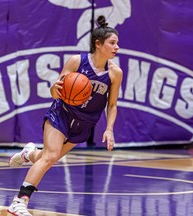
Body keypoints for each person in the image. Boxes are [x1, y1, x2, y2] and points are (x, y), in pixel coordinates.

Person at [7, 15, 123, 216]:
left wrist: (109, 129)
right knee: (50, 156)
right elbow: (56, 92)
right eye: (112, 43)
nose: (116, 47)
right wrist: (53, 87)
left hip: (84, 124)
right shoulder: (77, 61)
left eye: (117, 43)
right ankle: (19, 202)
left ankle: (28, 153)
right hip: (62, 113)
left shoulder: (115, 73)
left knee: (45, 158)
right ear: (98, 44)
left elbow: (112, 105)